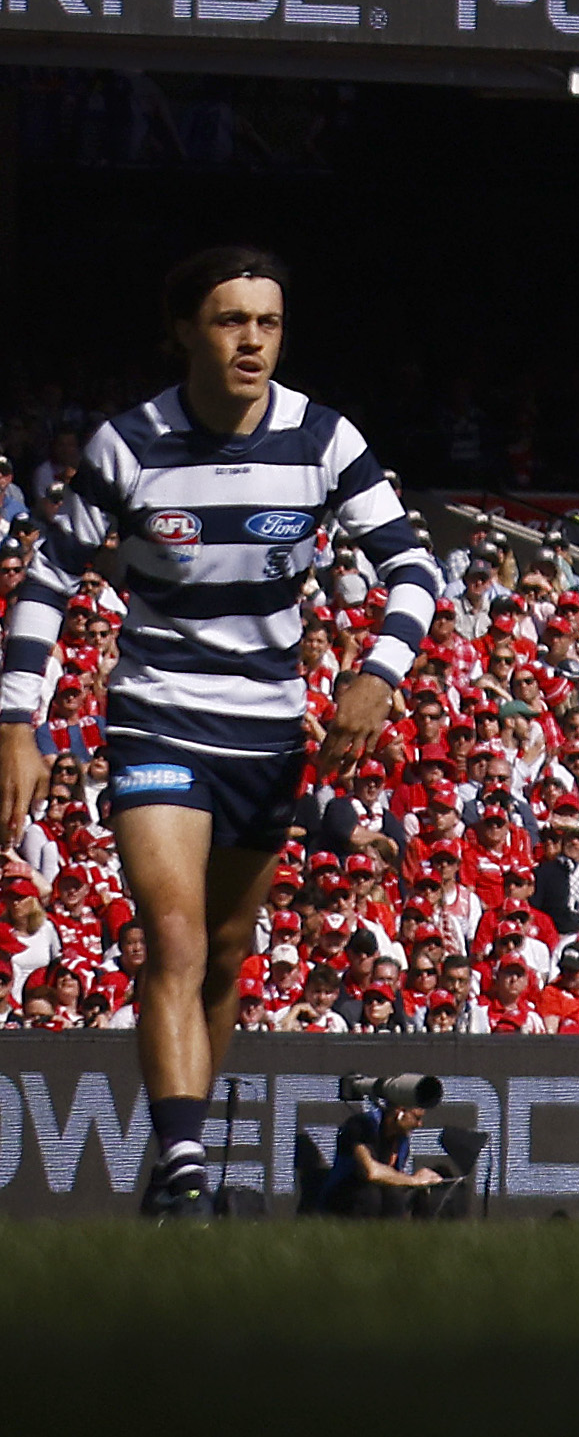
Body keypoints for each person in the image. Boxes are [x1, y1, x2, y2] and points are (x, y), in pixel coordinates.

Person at [2, 245, 447, 1218]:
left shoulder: (324, 439)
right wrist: (16, 722)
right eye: (229, 320)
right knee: (174, 938)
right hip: (157, 714)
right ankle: (184, 1167)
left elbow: (416, 571)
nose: (252, 340)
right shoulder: (131, 443)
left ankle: (180, 1155)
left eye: (268, 322)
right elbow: (47, 580)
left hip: (271, 734)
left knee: (231, 951)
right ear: (182, 332)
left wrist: (376, 675)